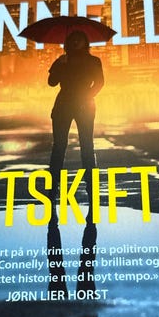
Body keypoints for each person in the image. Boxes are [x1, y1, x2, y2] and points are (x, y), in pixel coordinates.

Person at [47, 31, 104, 202]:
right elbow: (51, 82)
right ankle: (53, 186)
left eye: (80, 39)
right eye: (73, 39)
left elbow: (100, 82)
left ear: (85, 42)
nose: (76, 42)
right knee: (59, 146)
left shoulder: (93, 61)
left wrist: (87, 96)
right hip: (63, 104)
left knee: (87, 146)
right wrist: (60, 64)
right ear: (68, 43)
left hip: (85, 105)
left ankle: (91, 185)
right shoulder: (63, 60)